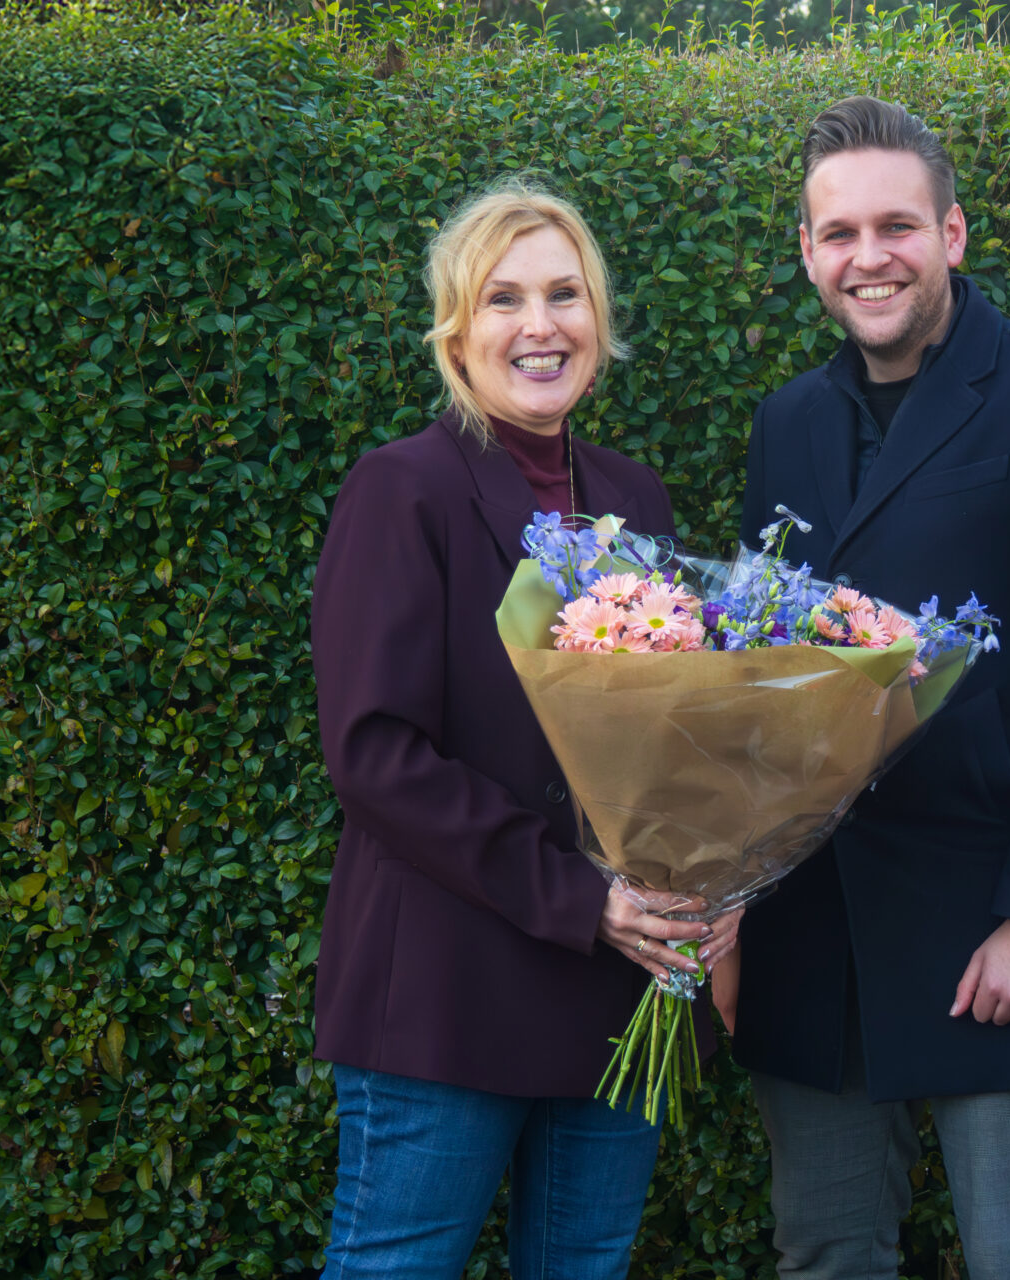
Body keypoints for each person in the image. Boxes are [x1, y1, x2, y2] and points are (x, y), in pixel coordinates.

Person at [716, 97, 1010, 1280]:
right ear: (808, 253)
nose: (872, 256)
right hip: (818, 937)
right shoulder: (786, 424)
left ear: (953, 233)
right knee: (825, 1258)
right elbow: (770, 678)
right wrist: (724, 898)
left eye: (897, 225)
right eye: (840, 232)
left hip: (996, 934)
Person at [310, 176, 735, 1280]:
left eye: (565, 294)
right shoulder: (401, 491)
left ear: (600, 318)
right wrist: (585, 898)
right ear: (456, 329)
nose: (539, 326)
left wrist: (713, 876)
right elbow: (376, 756)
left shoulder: (634, 501)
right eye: (503, 298)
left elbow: (663, 735)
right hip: (447, 996)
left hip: (612, 990)